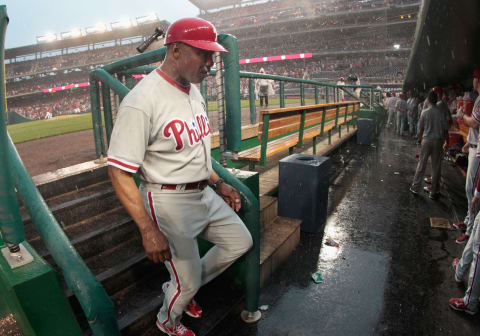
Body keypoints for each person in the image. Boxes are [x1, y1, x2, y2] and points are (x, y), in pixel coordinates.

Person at [107, 17, 253, 336]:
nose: (210, 63)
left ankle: (180, 288)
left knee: (240, 241)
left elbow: (196, 149)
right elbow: (118, 172)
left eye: (212, 55)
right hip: (167, 199)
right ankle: (167, 321)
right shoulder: (141, 101)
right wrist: (147, 228)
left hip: (204, 193)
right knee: (187, 282)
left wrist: (218, 182)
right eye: (203, 54)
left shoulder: (194, 91)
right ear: (175, 51)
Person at [452, 72, 480, 244]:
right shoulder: (477, 98)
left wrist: (462, 116)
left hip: (478, 152)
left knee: (472, 190)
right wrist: (469, 143)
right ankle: (469, 223)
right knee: (470, 190)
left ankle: (471, 232)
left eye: (474, 78)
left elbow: (475, 123)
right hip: (474, 146)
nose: (472, 81)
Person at [410, 90, 449, 200]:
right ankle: (434, 192)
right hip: (438, 141)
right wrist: (447, 142)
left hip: (426, 140)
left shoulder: (424, 112)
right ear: (436, 100)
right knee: (436, 167)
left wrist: (419, 139)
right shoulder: (441, 113)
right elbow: (445, 129)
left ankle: (415, 187)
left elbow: (420, 129)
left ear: (428, 100)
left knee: (421, 164)